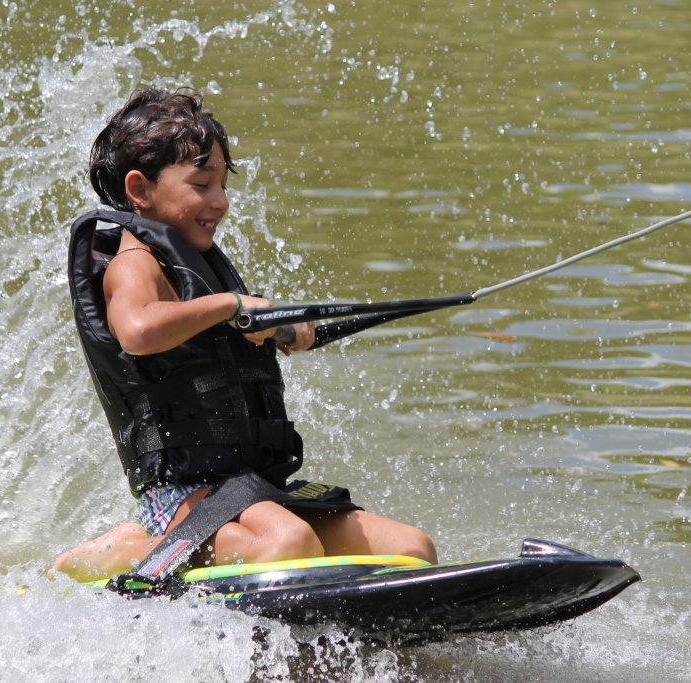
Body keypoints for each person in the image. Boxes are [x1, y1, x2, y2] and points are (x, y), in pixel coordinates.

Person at [52, 89, 435, 582]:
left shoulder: (197, 270)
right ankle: (131, 547)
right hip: (181, 494)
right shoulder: (133, 265)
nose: (221, 201)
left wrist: (285, 330)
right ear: (139, 190)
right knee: (288, 544)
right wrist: (233, 306)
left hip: (249, 488)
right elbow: (138, 332)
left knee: (412, 548)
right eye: (201, 184)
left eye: (222, 185)